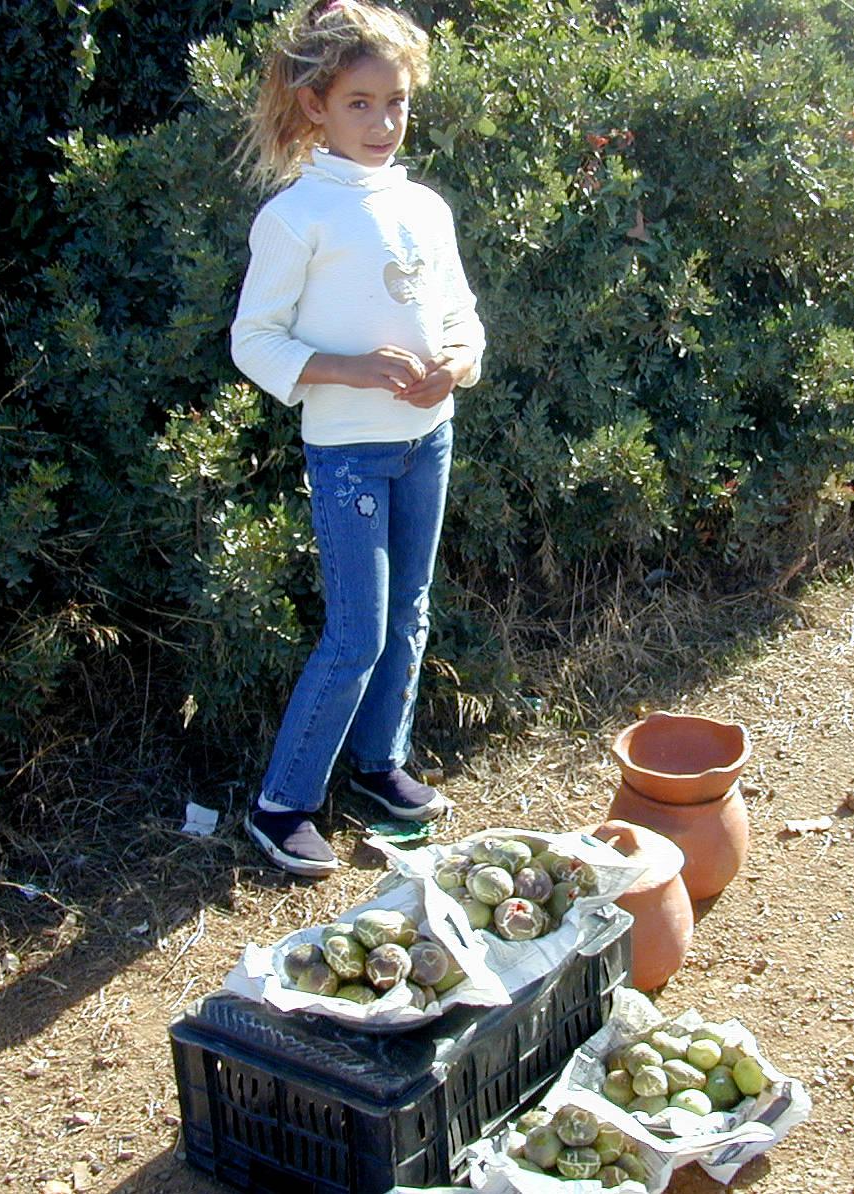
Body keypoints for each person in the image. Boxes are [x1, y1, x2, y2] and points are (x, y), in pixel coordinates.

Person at [230, 0, 485, 878]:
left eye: (397, 102)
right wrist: (351, 369)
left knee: (409, 614)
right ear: (315, 106)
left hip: (431, 439)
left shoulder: (425, 205)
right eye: (360, 104)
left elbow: (463, 317)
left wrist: (456, 362)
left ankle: (379, 768)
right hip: (349, 454)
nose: (383, 122)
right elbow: (254, 341)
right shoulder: (297, 216)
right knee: (356, 634)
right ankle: (281, 805)